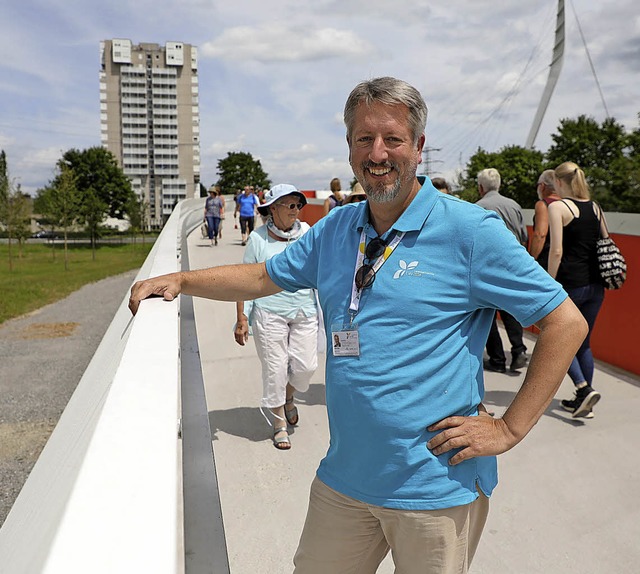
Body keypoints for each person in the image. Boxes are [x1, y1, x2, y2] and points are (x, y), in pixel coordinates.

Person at [129, 77, 587, 574]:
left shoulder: (470, 232)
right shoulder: (337, 227)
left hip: (435, 486)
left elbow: (565, 321)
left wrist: (509, 427)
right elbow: (262, 275)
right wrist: (182, 279)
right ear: (349, 148)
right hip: (346, 477)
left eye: (392, 138)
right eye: (364, 139)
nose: (378, 152)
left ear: (418, 147)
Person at [234, 184, 319, 450]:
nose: (296, 210)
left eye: (298, 205)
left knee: (305, 368)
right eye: (290, 205)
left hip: (305, 309)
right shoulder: (258, 239)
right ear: (273, 208)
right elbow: (244, 280)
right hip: (269, 312)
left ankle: (288, 396)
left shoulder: (307, 233)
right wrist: (242, 317)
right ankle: (279, 421)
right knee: (275, 370)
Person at [548, 161, 607, 419]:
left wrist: (548, 283)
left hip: (570, 285)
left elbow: (557, 250)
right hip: (596, 286)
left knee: (560, 342)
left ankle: (583, 389)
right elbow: (605, 242)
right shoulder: (595, 207)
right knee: (583, 343)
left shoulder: (558, 207)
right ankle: (586, 403)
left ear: (559, 182)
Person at [476, 168, 530, 373]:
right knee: (510, 311)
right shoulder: (514, 205)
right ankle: (518, 350)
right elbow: (524, 236)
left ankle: (497, 359)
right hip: (512, 267)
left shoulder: (478, 207)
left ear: (481, 187)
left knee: (486, 314)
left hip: (487, 268)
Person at [529, 170, 561, 269]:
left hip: (546, 259)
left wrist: (530, 260)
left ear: (542, 186)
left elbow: (540, 235)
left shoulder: (543, 204)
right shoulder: (567, 204)